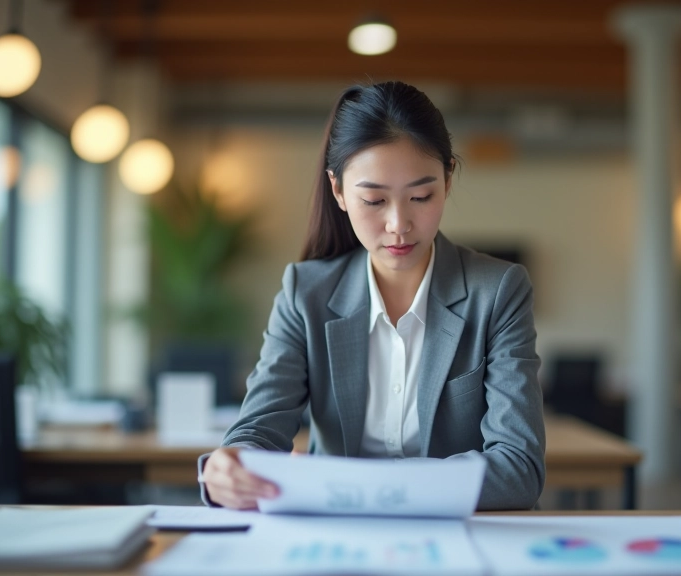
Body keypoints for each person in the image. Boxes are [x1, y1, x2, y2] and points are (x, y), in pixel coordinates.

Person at [198, 81, 545, 511]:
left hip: (459, 533)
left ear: (448, 179)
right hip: (336, 533)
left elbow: (519, 469)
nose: (399, 224)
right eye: (374, 200)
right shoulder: (304, 293)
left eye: (421, 196)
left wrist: (370, 484)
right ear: (339, 191)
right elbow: (258, 430)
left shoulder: (497, 291)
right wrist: (233, 464)